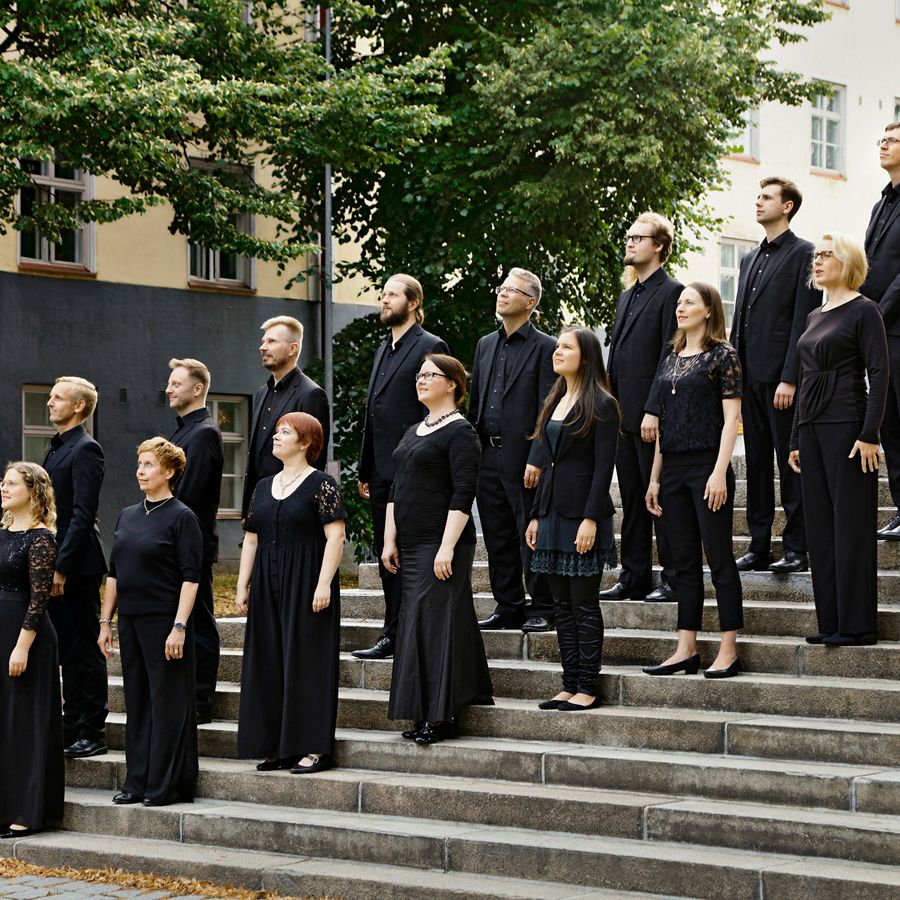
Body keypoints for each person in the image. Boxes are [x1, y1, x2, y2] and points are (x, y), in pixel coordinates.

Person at [384, 354, 493, 744]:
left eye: (430, 374)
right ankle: (425, 710)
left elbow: (464, 493)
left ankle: (442, 716)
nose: (421, 379)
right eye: (419, 374)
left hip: (442, 543)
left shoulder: (462, 432)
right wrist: (388, 539)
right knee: (418, 624)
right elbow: (398, 487)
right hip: (410, 544)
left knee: (434, 626)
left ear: (452, 384)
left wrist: (446, 547)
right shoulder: (414, 429)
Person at [789, 234, 888, 646]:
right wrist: (795, 437)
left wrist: (869, 434)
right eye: (817, 255)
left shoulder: (865, 311)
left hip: (847, 427)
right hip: (811, 431)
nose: (818, 260)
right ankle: (830, 622)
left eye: (827, 254)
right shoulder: (815, 316)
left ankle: (857, 625)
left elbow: (880, 374)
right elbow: (805, 377)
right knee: (821, 530)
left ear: (847, 262)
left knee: (850, 528)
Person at [643, 283, 744, 678]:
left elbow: (732, 420)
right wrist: (654, 478)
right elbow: (662, 425)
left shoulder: (723, 356)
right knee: (682, 562)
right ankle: (686, 648)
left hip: (708, 466)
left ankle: (728, 649)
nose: (680, 307)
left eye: (689, 302)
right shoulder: (670, 357)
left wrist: (720, 472)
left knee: (719, 558)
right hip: (673, 469)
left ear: (708, 311)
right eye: (679, 301)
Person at [236, 412, 344, 774]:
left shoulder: (322, 484)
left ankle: (314, 747)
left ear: (306, 443)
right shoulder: (263, 486)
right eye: (277, 430)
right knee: (268, 660)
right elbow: (251, 539)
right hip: (268, 581)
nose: (276, 436)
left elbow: (335, 537)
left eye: (286, 432)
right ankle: (276, 746)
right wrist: (241, 585)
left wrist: (324, 583)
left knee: (307, 663)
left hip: (308, 581)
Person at [98, 438, 203, 806]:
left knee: (168, 703)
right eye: (139, 464)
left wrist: (179, 627)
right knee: (138, 702)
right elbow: (114, 573)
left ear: (169, 472)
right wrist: (104, 622)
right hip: (130, 621)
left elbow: (191, 577)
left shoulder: (182, 517)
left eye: (148, 465)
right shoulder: (127, 514)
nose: (140, 471)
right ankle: (137, 782)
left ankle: (165, 786)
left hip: (165, 624)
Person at [353, 274, 449, 660]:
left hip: (414, 466)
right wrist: (364, 468)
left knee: (408, 553)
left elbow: (434, 406)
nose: (384, 300)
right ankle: (392, 632)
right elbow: (373, 413)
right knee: (385, 552)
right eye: (382, 294)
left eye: (392, 294)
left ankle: (408, 632)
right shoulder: (382, 349)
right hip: (380, 470)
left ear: (413, 303)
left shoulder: (430, 346)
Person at [729, 177, 821, 574]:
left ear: (787, 206)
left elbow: (803, 321)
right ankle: (759, 545)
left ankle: (797, 546)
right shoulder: (749, 258)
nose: (758, 201)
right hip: (747, 377)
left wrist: (790, 377)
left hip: (781, 380)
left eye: (766, 197)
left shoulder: (805, 254)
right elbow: (739, 321)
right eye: (758, 195)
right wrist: (731, 374)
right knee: (758, 466)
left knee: (790, 463)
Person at [526, 328, 619, 711]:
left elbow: (602, 468)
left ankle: (587, 686)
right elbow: (547, 463)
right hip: (549, 512)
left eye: (566, 347)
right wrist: (534, 515)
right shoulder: (556, 399)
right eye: (558, 346)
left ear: (586, 356)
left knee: (583, 604)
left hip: (582, 514)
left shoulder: (603, 403)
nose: (557, 351)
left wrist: (591, 518)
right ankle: (568, 684)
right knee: (560, 606)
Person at [469, 268, 556, 632]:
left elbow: (547, 409)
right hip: (486, 455)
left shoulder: (546, 347)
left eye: (511, 290)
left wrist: (538, 456)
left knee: (528, 532)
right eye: (501, 287)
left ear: (530, 302)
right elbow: (476, 404)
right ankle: (508, 605)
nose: (502, 294)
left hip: (523, 457)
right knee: (496, 532)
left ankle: (543, 606)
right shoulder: (485, 345)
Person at [603, 212, 681, 602]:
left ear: (660, 246)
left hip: (653, 417)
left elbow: (670, 358)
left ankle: (673, 578)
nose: (629, 242)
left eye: (638, 237)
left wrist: (654, 410)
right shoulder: (626, 295)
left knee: (660, 497)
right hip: (621, 415)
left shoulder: (673, 292)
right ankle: (633, 577)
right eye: (628, 236)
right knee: (632, 498)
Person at [43, 376, 109, 759]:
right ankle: (71, 727)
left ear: (79, 406)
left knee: (84, 649)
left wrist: (61, 568)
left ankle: (93, 730)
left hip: (78, 566)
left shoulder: (87, 450)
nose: (49, 403)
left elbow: (82, 515)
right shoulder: (57, 449)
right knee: (66, 649)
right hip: (57, 560)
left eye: (57, 398)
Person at [0, 463, 63, 838]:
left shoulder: (41, 538)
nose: (3, 488)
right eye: (2, 483)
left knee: (23, 723)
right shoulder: (2, 531)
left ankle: (26, 811)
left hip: (28, 638)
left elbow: (39, 599)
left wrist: (21, 647)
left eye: (10, 483)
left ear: (32, 490)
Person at [166, 357, 225, 725]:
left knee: (199, 620)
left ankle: (202, 697)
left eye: (176, 383)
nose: (169, 388)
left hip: (191, 544)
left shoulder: (204, 432)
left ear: (197, 388)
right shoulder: (181, 431)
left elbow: (187, 495)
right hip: (173, 542)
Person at [242, 315, 330, 518]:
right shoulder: (261, 393)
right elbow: (256, 454)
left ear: (293, 349)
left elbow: (314, 459)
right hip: (258, 508)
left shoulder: (311, 394)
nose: (263, 347)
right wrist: (248, 510)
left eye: (271, 341)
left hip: (292, 510)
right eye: (263, 341)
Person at [863, 122, 900, 541]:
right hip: (880, 332)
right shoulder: (879, 204)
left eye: (892, 140)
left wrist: (879, 314)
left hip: (896, 325)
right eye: (882, 139)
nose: (884, 145)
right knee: (889, 422)